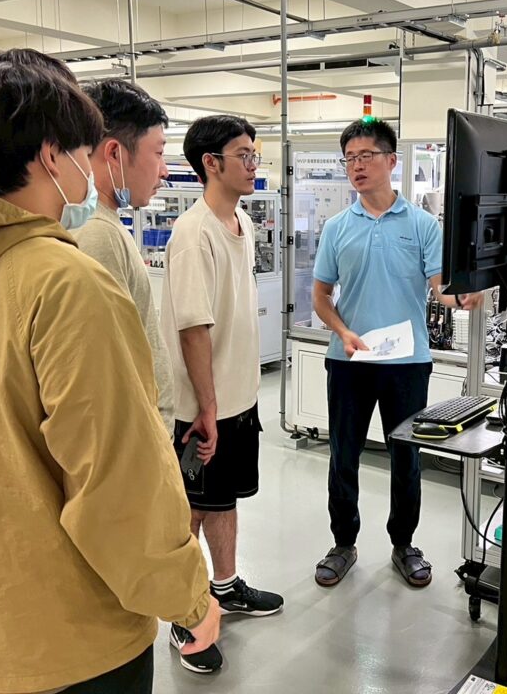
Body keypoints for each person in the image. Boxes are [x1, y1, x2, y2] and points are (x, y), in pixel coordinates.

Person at [0, 49, 219, 694]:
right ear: (52, 157)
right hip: (70, 635)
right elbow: (117, 483)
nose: (91, 171)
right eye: (86, 154)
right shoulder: (65, 282)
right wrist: (189, 599)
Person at [312, 117, 481, 588]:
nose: (357, 166)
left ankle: (404, 543)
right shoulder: (337, 228)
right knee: (343, 455)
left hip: (407, 363)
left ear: (391, 161)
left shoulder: (423, 224)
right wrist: (343, 332)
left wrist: (463, 298)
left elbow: (440, 289)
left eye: (366, 156)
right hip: (349, 360)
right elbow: (321, 297)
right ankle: (343, 543)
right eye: (350, 158)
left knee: (406, 457)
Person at [160, 114, 283, 672]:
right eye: (244, 155)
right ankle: (185, 613)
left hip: (237, 400)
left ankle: (226, 586)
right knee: (188, 510)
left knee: (223, 499)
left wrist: (233, 400)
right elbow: (194, 328)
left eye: (255, 154)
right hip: (199, 410)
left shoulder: (242, 223)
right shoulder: (194, 234)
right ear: (211, 163)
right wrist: (207, 408)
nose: (254, 164)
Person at [75, 79, 174, 433]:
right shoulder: (97, 234)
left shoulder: (106, 224)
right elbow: (109, 370)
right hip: (136, 438)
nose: (164, 170)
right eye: (158, 153)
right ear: (115, 154)